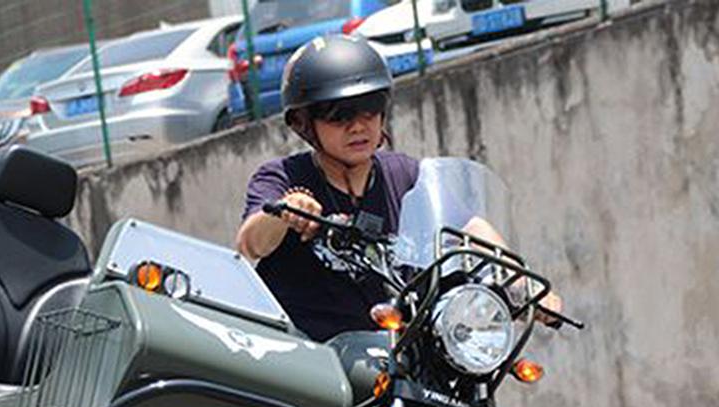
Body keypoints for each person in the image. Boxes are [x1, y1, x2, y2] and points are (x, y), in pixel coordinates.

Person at [236, 35, 559, 341]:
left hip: (400, 355)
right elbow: (252, 243)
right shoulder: (283, 176)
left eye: (370, 107)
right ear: (304, 124)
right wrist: (285, 211)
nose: (359, 125)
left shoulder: (405, 175)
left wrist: (523, 282)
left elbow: (470, 228)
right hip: (320, 367)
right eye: (339, 115)